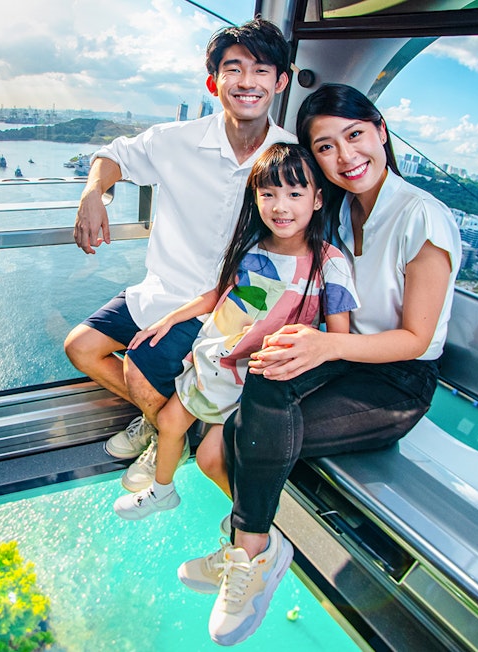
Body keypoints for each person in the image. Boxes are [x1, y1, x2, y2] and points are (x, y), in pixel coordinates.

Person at [179, 83, 462, 646]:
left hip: (396, 382)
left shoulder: (422, 217)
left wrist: (326, 345)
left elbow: (416, 339)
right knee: (267, 368)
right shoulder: (343, 210)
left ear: (381, 130)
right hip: (346, 357)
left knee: (235, 435)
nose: (346, 157)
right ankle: (256, 545)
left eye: (355, 136)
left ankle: (252, 550)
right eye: (326, 147)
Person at [63, 18, 295, 486]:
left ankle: (164, 431)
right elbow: (113, 156)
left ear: (281, 82)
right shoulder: (177, 141)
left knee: (139, 371)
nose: (247, 82)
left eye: (261, 70)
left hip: (231, 305)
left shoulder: (291, 157)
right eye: (234, 69)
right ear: (214, 82)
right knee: (82, 348)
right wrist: (92, 194)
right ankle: (162, 424)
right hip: (163, 288)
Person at [112, 143, 358, 520]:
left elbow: (337, 340)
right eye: (268, 194)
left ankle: (250, 523)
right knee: (170, 423)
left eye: (295, 193)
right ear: (255, 198)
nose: (281, 206)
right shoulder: (253, 248)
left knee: (210, 457)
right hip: (216, 361)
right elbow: (221, 296)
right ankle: (164, 491)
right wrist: (169, 319)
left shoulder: (329, 264)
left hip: (256, 378)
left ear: (318, 199)